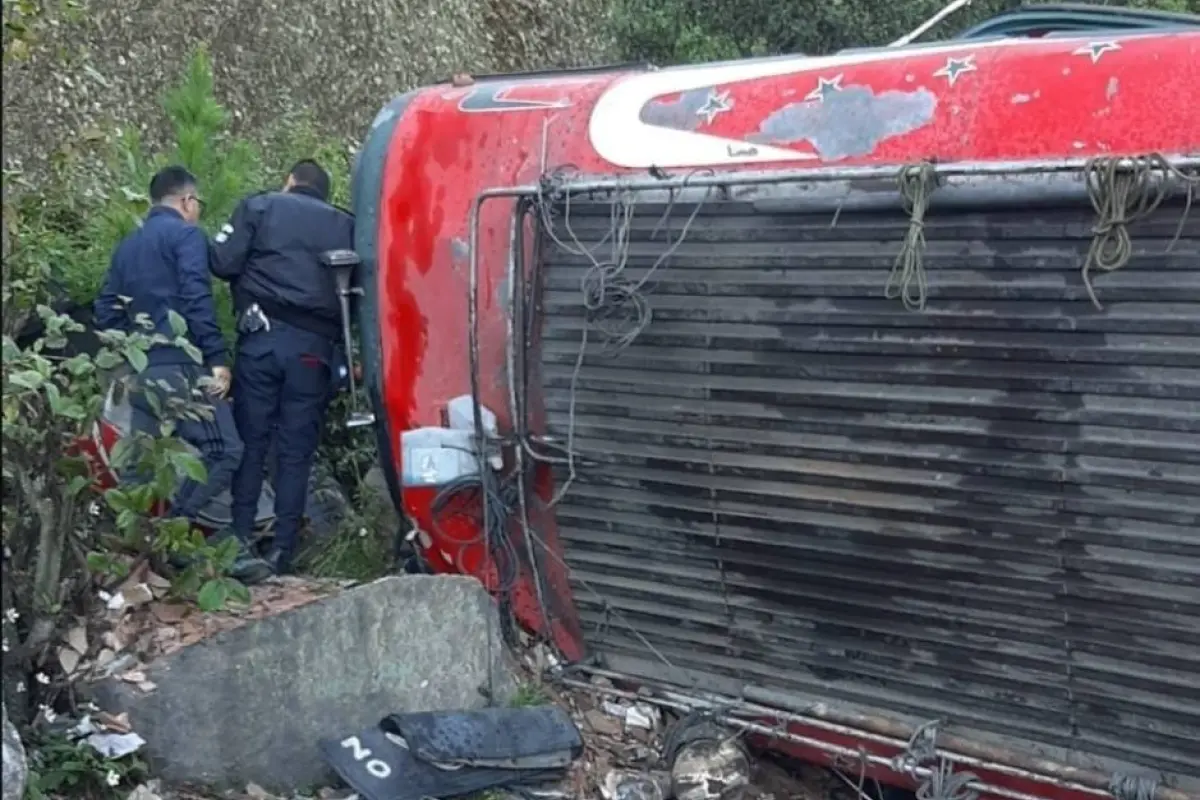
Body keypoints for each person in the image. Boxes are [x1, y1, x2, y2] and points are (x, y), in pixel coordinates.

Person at [94, 165, 273, 584]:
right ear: (187, 202)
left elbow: (104, 311)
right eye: (198, 205)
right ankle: (174, 530)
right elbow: (196, 298)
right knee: (227, 450)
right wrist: (216, 358)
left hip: (139, 372)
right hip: (181, 364)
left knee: (140, 466)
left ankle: (133, 556)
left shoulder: (127, 246)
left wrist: (131, 351)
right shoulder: (186, 236)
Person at [210, 160, 354, 574]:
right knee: (296, 451)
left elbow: (222, 261)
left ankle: (239, 539)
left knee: (252, 442)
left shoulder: (261, 207)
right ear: (324, 192)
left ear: (290, 181)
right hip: (315, 351)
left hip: (264, 339)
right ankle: (282, 552)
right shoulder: (345, 224)